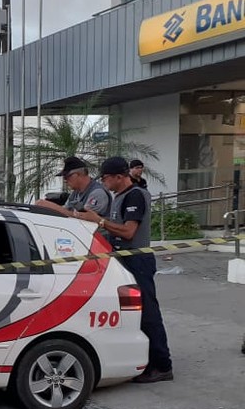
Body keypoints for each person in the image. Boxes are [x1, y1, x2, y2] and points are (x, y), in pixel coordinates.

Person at [77, 157, 173, 383]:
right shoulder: (118, 197)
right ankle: (145, 361)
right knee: (133, 313)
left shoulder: (135, 196)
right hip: (123, 258)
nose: (103, 182)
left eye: (106, 178)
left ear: (119, 177)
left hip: (137, 259)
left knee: (149, 314)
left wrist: (99, 221)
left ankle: (162, 365)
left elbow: (129, 232)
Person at [35, 156, 111, 219]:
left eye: (66, 177)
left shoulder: (97, 193)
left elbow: (87, 219)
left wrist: (53, 207)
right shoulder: (76, 193)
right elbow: (66, 210)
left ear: (76, 175)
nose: (65, 180)